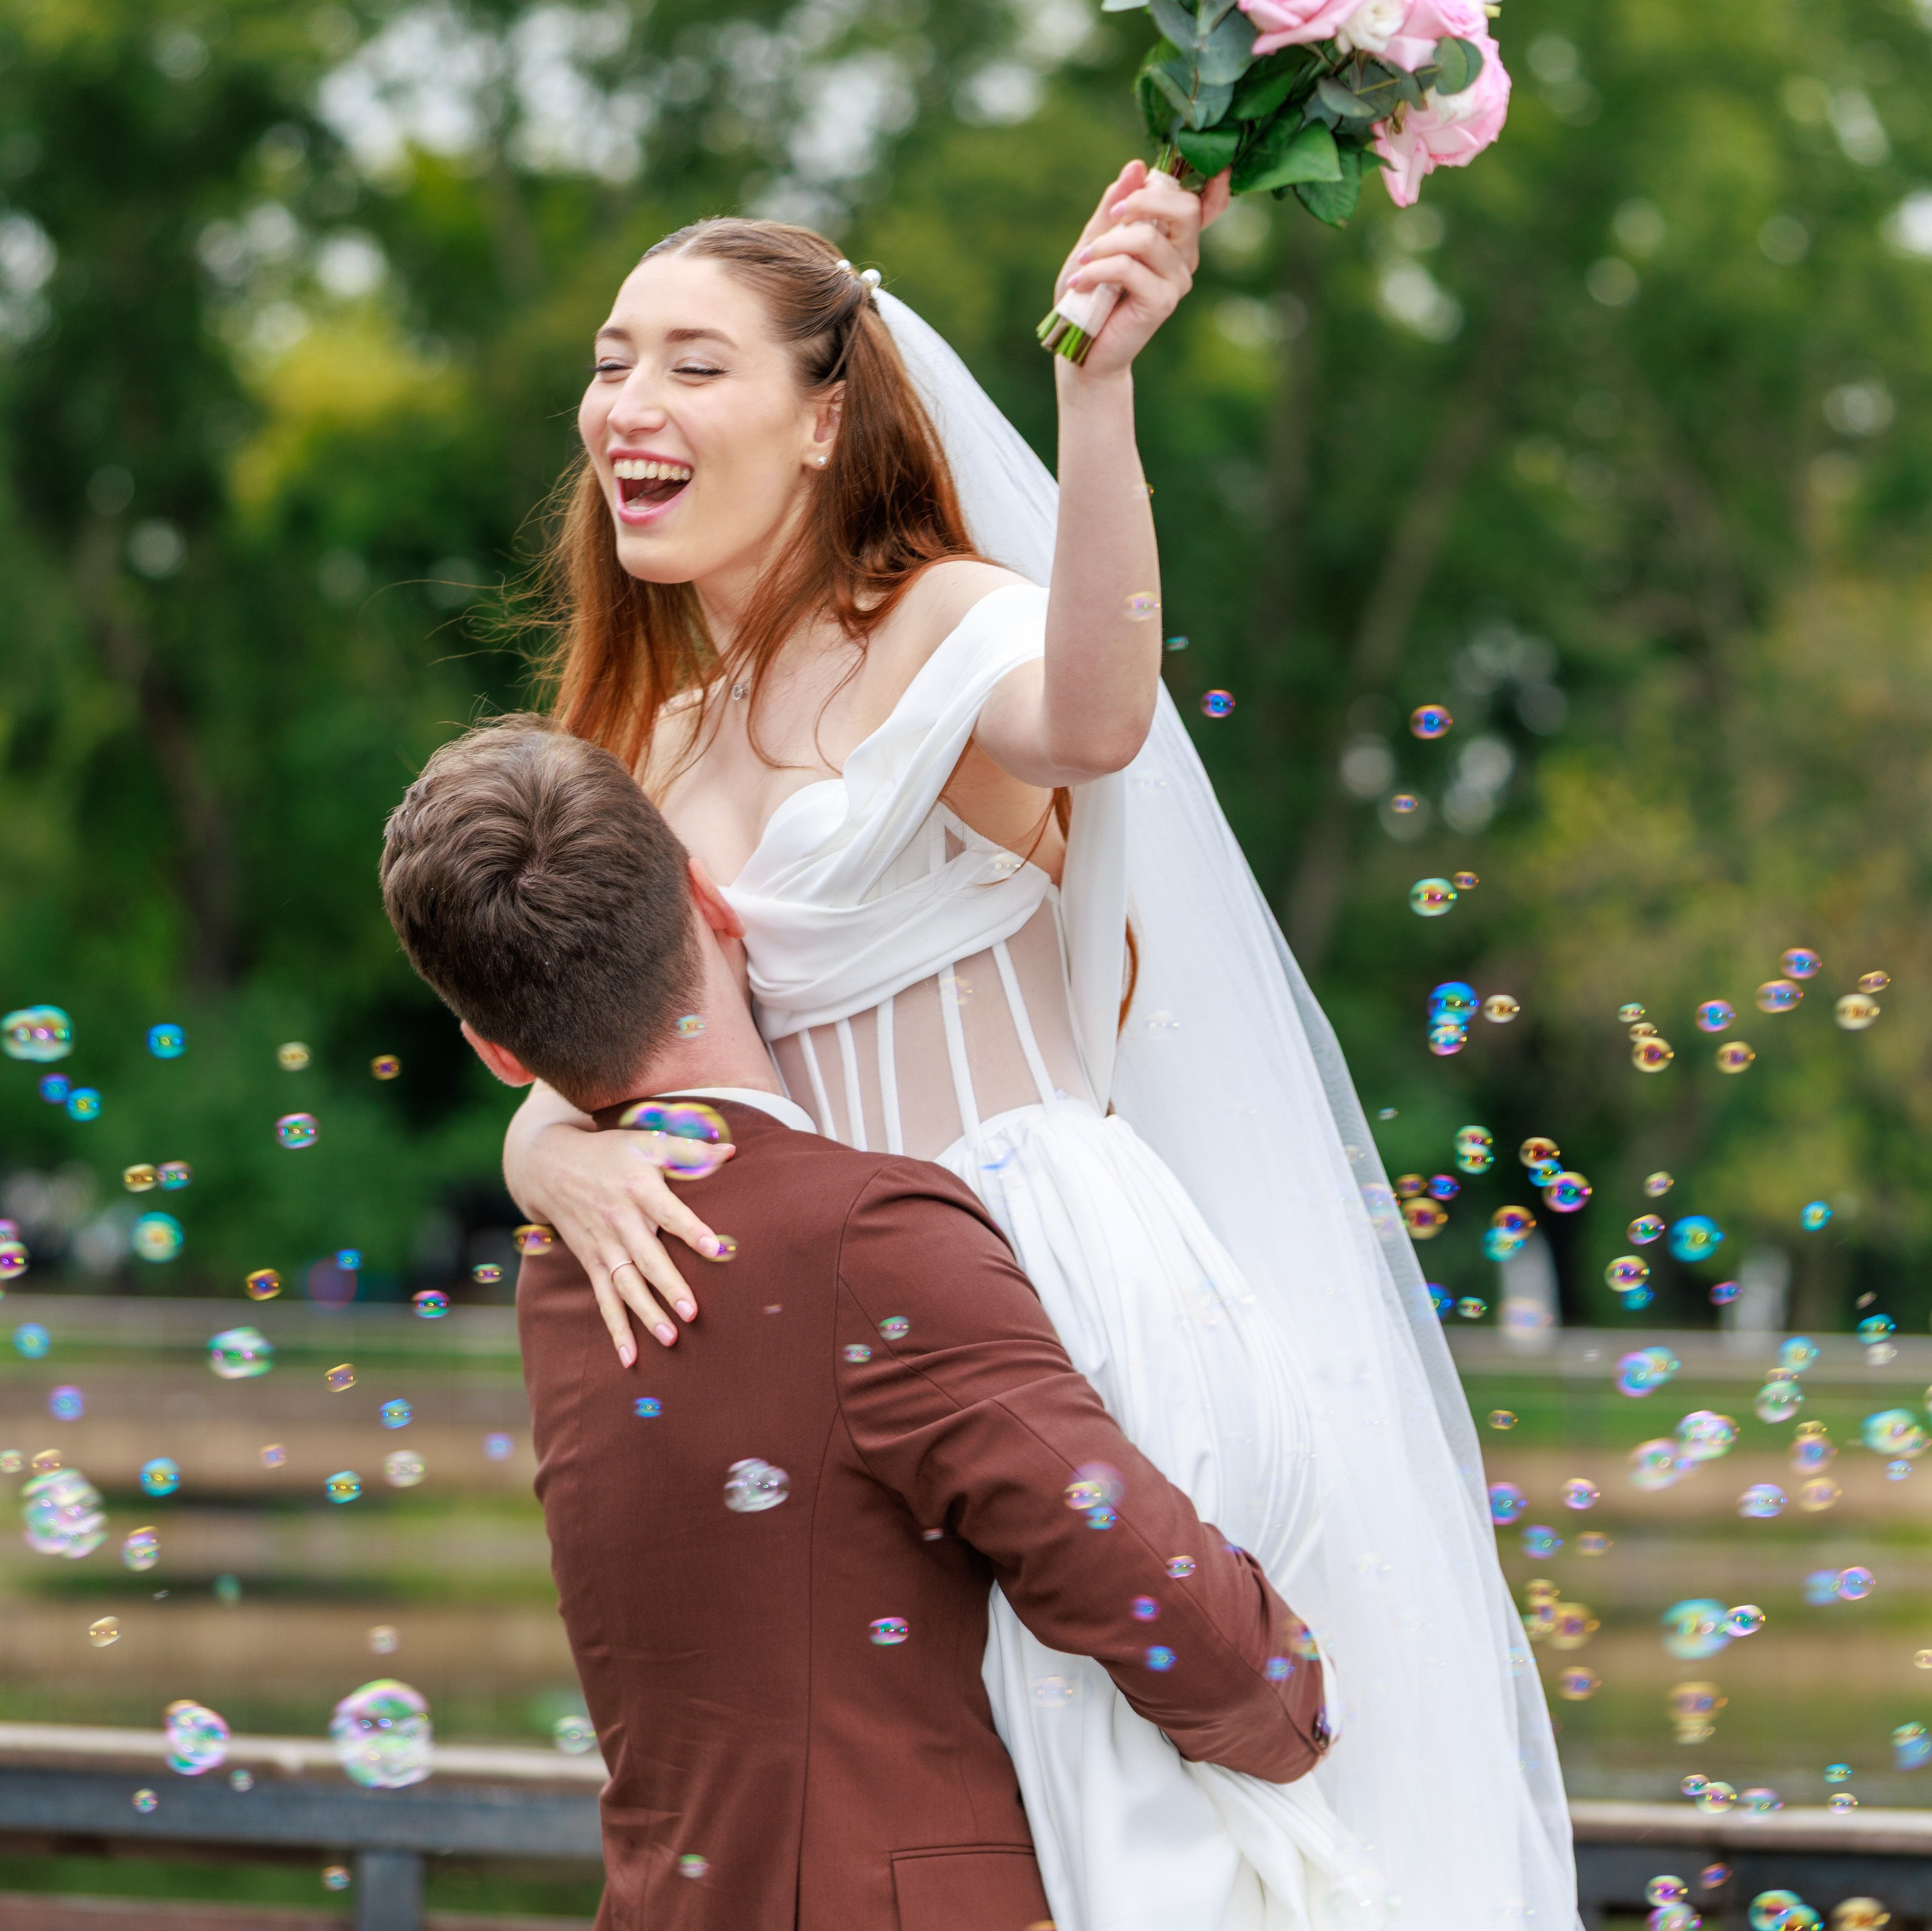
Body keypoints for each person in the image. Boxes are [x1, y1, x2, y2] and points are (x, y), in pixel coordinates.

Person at [496, 171, 1577, 1926]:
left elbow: (1092, 718)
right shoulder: (649, 738)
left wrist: (1097, 392)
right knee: (932, 1805)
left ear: (823, 416)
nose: (627, 403)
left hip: (1042, 1277)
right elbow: (596, 1035)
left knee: (1133, 1827)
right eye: (613, 362)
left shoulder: (941, 621)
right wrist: (545, 1148)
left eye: (693, 364)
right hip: (827, 1327)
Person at [378, 717, 1332, 1929]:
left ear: (497, 1053)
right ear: (710, 900)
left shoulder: (566, 1264)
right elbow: (1149, 1589)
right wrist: (1300, 1700)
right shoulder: (867, 1235)